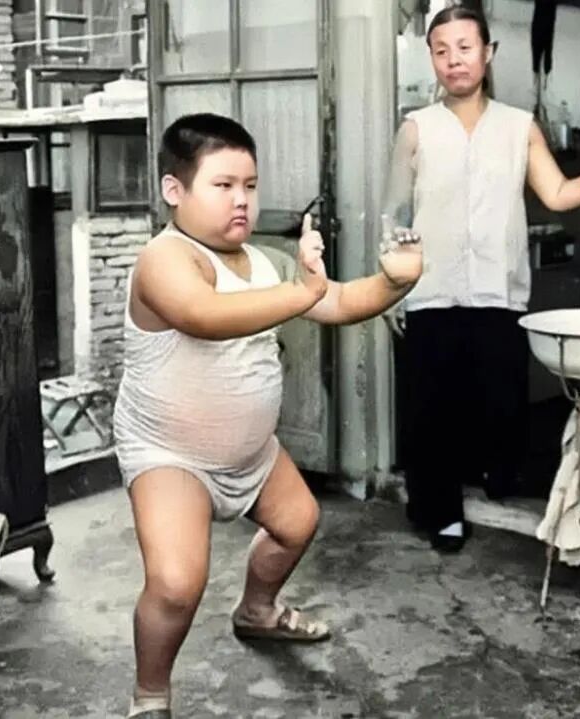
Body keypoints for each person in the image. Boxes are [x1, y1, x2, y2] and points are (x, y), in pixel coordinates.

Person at [113, 112, 423, 718]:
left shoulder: (261, 261)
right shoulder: (164, 258)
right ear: (175, 189)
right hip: (170, 453)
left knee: (297, 524)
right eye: (223, 185)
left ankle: (257, 611)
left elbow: (338, 301)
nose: (241, 200)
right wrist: (302, 291)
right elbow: (203, 315)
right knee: (176, 584)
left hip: (252, 451)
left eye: (250, 186)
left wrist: (394, 282)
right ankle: (150, 696)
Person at [382, 6, 580, 554]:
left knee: (500, 401)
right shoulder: (416, 128)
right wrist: (393, 286)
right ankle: (440, 510)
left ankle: (497, 476)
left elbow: (558, 194)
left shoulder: (519, 127)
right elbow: (393, 213)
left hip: (498, 289)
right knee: (431, 409)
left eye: (465, 47)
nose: (454, 60)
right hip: (431, 291)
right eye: (441, 50)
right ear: (431, 58)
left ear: (488, 54)